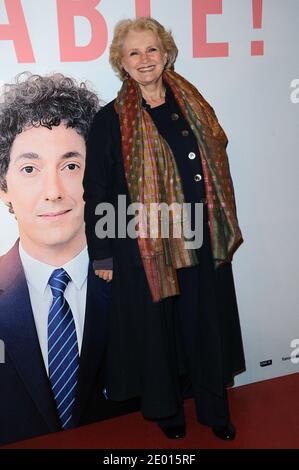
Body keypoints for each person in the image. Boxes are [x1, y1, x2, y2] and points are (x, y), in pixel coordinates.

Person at [83, 17, 245, 441]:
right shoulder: (110, 120)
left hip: (200, 233)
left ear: (166, 52)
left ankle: (214, 410)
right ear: (122, 62)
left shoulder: (192, 102)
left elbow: (213, 163)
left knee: (204, 325)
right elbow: (97, 189)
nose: (144, 59)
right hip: (146, 244)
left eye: (151, 49)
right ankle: (168, 409)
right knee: (161, 330)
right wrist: (102, 253)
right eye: (134, 52)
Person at [0, 73, 138, 446]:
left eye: (71, 166)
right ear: (4, 188)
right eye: (30, 169)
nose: (53, 192)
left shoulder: (144, 285)